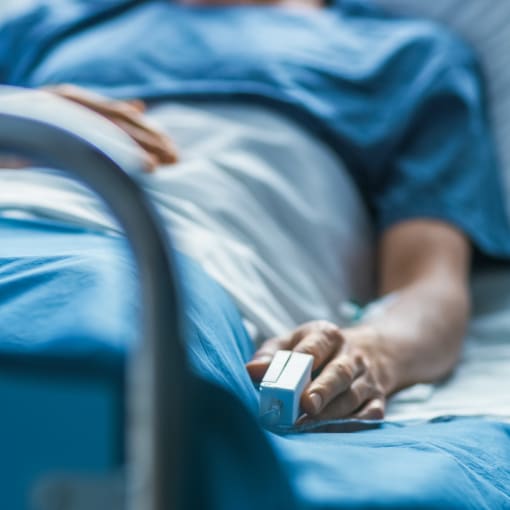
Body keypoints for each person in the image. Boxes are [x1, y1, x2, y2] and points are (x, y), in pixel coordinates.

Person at [0, 0, 509, 425]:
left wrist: (376, 351)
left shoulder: (409, 57)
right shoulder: (52, 23)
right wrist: (27, 116)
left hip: (175, 270)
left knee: (89, 376)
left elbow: (428, 286)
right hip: (18, 223)